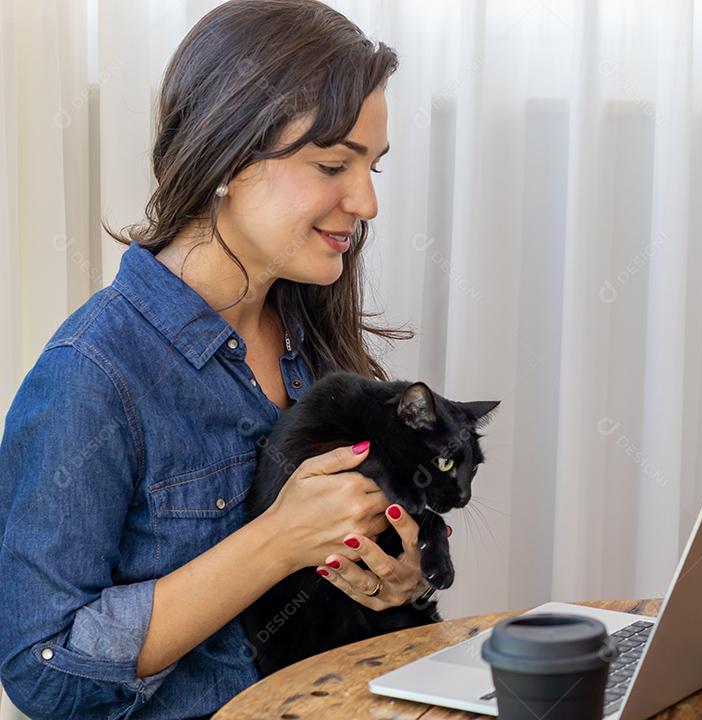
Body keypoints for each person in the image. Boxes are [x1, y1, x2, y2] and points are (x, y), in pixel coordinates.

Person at [0, 1, 433, 717]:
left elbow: (366, 575)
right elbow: (41, 669)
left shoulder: (311, 335)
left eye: (374, 167)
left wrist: (399, 579)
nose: (366, 201)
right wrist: (277, 542)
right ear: (229, 156)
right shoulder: (92, 377)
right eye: (333, 164)